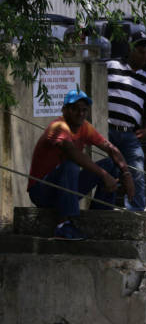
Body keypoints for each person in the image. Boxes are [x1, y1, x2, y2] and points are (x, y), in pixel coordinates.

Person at [27, 89, 135, 240]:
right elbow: (73, 154)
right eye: (75, 109)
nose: (80, 113)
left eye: (84, 110)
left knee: (110, 164)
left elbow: (111, 149)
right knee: (71, 165)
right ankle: (63, 225)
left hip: (65, 189)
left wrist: (126, 174)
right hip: (41, 191)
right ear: (65, 110)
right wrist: (104, 176)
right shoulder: (58, 127)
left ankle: (100, 216)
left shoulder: (85, 127)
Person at [105, 28, 146, 211]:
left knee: (137, 172)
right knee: (107, 170)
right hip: (106, 130)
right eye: (140, 51)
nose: (145, 56)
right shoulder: (111, 66)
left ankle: (136, 215)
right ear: (130, 49)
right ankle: (103, 210)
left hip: (129, 133)